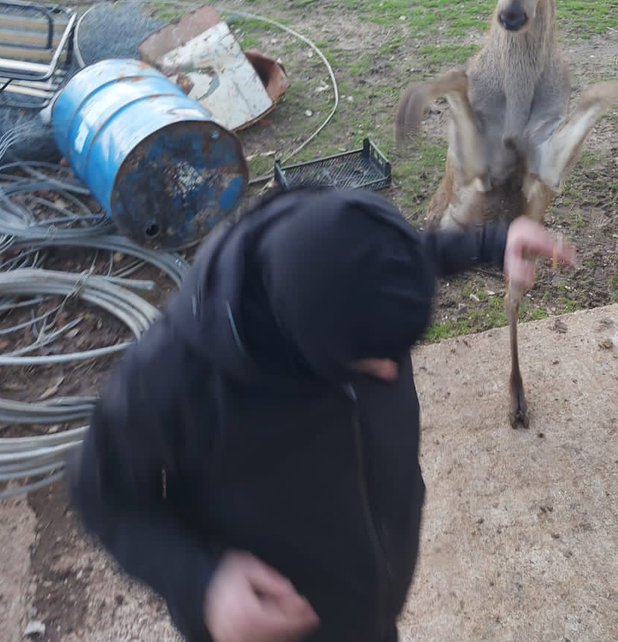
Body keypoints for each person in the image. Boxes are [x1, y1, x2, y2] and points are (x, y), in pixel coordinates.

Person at [68, 184, 574, 642]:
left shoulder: (341, 259)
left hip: (368, 605)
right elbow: (99, 492)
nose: (390, 371)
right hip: (277, 629)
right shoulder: (170, 376)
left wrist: (488, 245)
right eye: (369, 359)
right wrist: (202, 584)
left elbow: (403, 259)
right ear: (300, 338)